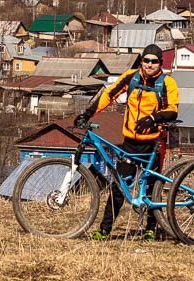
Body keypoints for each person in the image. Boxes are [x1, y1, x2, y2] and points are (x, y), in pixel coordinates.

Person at [73, 44, 178, 240]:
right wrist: (87, 114)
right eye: (146, 60)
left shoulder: (167, 83)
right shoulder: (131, 77)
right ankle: (104, 230)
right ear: (141, 61)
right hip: (130, 141)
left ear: (160, 63)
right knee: (119, 186)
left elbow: (173, 110)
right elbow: (108, 94)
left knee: (152, 188)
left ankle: (151, 228)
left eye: (154, 61)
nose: (149, 64)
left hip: (154, 143)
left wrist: (153, 118)